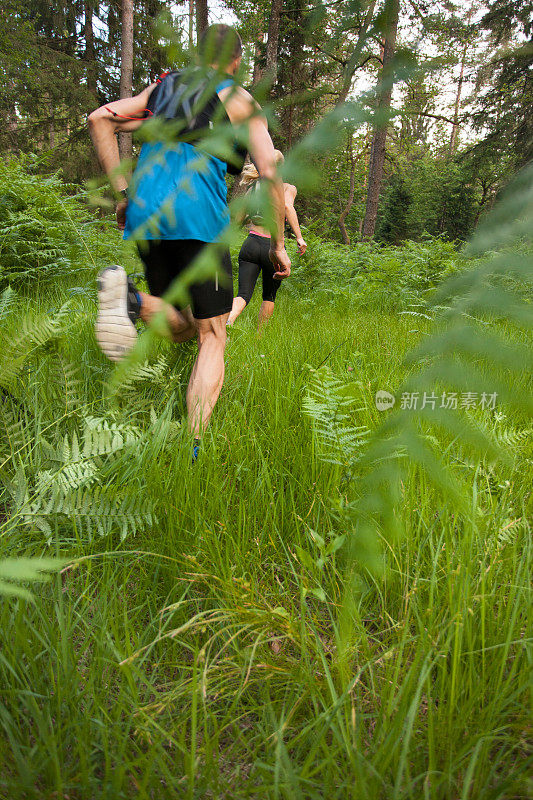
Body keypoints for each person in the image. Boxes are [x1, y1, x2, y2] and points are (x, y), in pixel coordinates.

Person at [88, 24, 291, 450]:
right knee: (213, 335)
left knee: (181, 324)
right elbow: (271, 175)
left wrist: (122, 197)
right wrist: (278, 246)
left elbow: (101, 118)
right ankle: (195, 447)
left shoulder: (162, 88)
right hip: (197, 213)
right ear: (236, 62)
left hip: (147, 210)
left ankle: (129, 299)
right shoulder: (240, 99)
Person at [226, 153, 307, 329]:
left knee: (243, 294)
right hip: (273, 247)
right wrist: (299, 238)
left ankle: (229, 319)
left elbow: (239, 220)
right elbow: (287, 206)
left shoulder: (252, 189)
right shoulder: (287, 187)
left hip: (251, 244)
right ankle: (259, 337)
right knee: (269, 295)